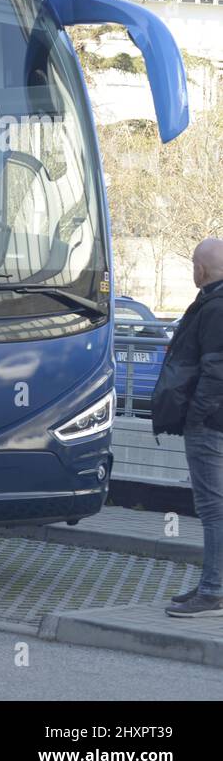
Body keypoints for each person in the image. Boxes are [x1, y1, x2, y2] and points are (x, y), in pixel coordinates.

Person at [153, 237, 223, 617]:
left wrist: (196, 416)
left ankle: (212, 590)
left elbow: (216, 370)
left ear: (200, 270)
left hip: (210, 425)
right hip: (213, 420)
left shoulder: (215, 308)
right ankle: (213, 582)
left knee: (212, 509)